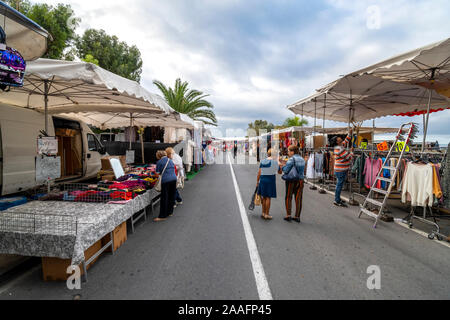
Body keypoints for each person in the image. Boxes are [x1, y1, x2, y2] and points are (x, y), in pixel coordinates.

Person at [279, 145, 305, 223]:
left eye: (289, 151)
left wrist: (282, 166)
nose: (288, 152)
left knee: (288, 197)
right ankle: (297, 216)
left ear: (293, 152)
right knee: (298, 199)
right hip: (300, 180)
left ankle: (288, 215)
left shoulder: (292, 159)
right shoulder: (302, 158)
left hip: (291, 180)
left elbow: (286, 170)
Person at [331, 130, 354, 207]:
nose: (340, 138)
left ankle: (337, 198)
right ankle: (337, 200)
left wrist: (349, 134)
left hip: (340, 169)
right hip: (340, 170)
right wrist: (351, 152)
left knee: (339, 184)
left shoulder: (339, 146)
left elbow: (346, 141)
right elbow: (349, 157)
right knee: (339, 185)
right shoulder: (339, 149)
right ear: (337, 142)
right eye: (338, 138)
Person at [154, 149, 177, 222]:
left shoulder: (159, 162)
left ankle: (162, 215)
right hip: (174, 179)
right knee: (171, 196)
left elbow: (157, 174)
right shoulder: (170, 160)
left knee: (164, 198)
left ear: (158, 156)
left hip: (166, 181)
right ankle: (170, 212)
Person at [256, 148, 278, 220]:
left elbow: (259, 172)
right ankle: (267, 214)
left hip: (262, 180)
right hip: (270, 181)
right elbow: (280, 172)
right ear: (274, 155)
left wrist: (257, 182)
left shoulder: (263, 161)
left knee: (263, 197)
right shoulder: (274, 162)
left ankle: (263, 213)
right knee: (268, 197)